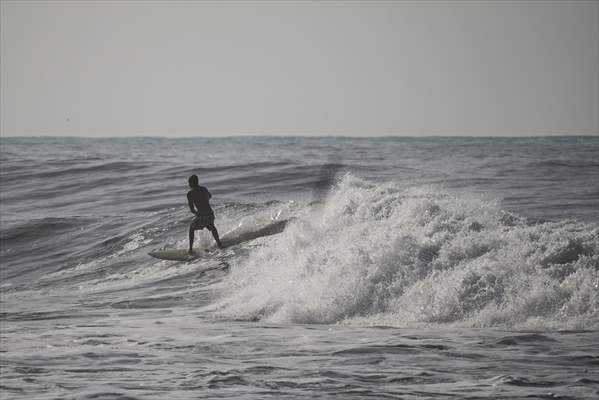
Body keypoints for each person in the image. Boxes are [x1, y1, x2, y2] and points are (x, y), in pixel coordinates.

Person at [187, 174, 223, 253]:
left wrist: (197, 214)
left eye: (189, 183)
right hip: (210, 214)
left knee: (191, 228)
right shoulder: (204, 189)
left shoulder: (190, 194)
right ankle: (219, 243)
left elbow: (192, 209)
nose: (188, 185)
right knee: (211, 227)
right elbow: (209, 196)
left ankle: (190, 249)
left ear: (191, 183)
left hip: (202, 216)